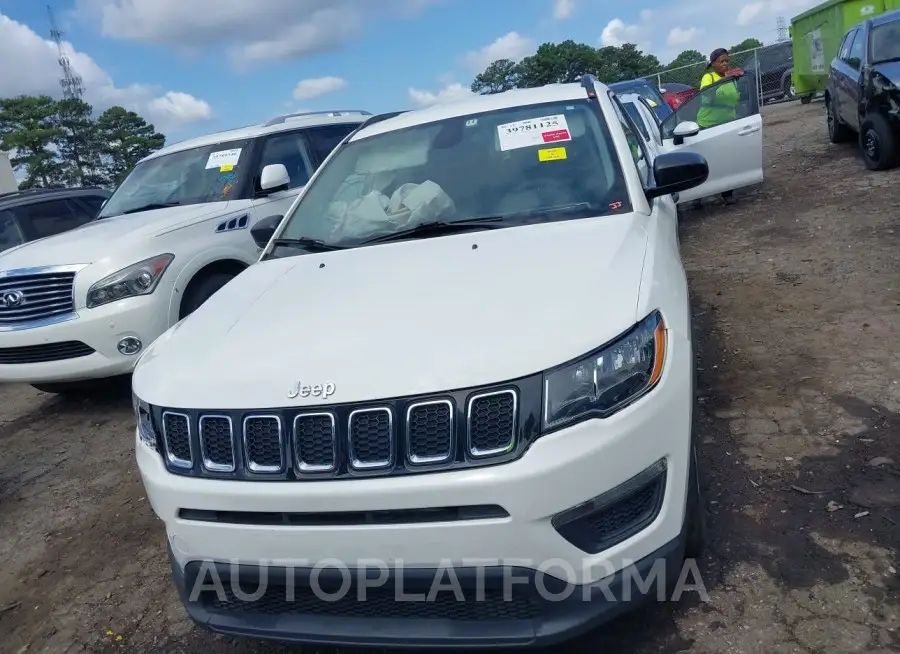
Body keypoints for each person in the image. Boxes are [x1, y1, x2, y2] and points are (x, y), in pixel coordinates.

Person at [694, 48, 743, 207]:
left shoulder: (732, 79)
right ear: (713, 63)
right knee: (705, 161)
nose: (725, 64)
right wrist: (725, 79)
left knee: (726, 159)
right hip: (708, 125)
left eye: (727, 61)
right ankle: (697, 195)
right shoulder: (708, 77)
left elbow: (736, 100)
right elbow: (707, 95)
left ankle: (727, 192)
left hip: (727, 124)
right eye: (721, 61)